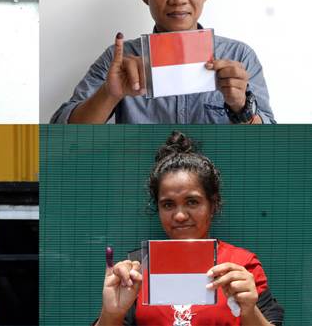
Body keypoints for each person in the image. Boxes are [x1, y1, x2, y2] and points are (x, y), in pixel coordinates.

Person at [50, 0, 274, 124]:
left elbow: (270, 142)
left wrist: (241, 107)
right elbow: (61, 130)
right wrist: (108, 94)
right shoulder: (119, 60)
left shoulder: (239, 56)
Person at [96, 131, 284, 325]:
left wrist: (249, 309)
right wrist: (111, 314)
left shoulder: (242, 264)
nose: (179, 215)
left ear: (212, 204)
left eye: (192, 202)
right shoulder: (136, 270)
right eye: (168, 204)